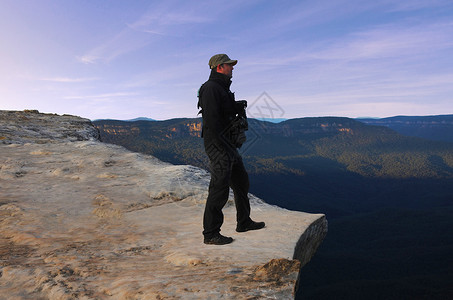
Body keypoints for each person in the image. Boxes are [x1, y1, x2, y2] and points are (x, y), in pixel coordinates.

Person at [197, 54, 265, 245]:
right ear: (219, 67)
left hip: (227, 145)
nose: (232, 68)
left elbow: (221, 111)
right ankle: (210, 233)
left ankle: (243, 222)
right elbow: (212, 120)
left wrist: (235, 106)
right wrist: (225, 141)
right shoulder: (211, 88)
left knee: (241, 182)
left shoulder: (221, 87)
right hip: (218, 145)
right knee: (219, 188)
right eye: (229, 65)